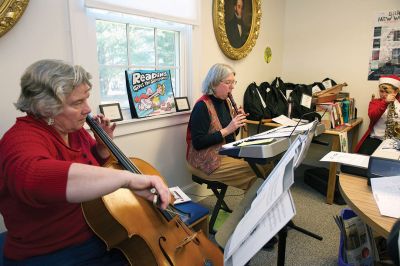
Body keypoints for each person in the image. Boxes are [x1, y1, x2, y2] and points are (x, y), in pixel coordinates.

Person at [0, 59, 170, 265]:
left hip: (100, 231)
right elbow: (34, 178)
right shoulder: (20, 139)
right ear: (46, 108)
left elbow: (92, 172)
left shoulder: (75, 131)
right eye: (77, 103)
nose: (88, 109)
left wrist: (102, 149)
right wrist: (127, 179)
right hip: (54, 250)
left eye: (86, 100)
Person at [186, 63, 272, 191]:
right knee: (255, 177)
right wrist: (228, 129)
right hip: (204, 161)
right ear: (214, 83)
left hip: (223, 153)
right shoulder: (202, 106)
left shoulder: (225, 102)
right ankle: (250, 210)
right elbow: (198, 143)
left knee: (266, 165)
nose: (232, 87)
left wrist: (237, 123)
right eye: (228, 82)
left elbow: (231, 135)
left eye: (233, 82)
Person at [354, 75, 400, 155]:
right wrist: (384, 102)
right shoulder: (375, 102)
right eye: (381, 91)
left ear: (395, 92)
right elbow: (372, 116)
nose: (384, 94)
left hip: (395, 141)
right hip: (375, 139)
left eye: (387, 92)